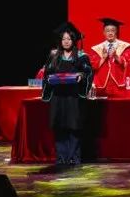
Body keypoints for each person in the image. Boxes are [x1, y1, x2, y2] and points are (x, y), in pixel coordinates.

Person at [40, 22, 93, 164]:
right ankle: (61, 157)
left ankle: (74, 157)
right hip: (58, 97)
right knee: (59, 126)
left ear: (73, 40)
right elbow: (47, 73)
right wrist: (49, 80)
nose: (66, 41)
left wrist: (81, 76)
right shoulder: (54, 56)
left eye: (69, 39)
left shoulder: (81, 56)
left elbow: (88, 73)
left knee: (74, 126)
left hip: (74, 97)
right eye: (63, 39)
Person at [89, 17, 130, 98]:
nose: (110, 33)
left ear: (116, 31)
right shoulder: (97, 48)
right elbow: (92, 66)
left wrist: (116, 57)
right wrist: (103, 58)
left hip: (118, 85)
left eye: (113, 30)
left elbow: (129, 65)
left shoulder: (125, 47)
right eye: (107, 31)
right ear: (104, 32)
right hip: (102, 86)